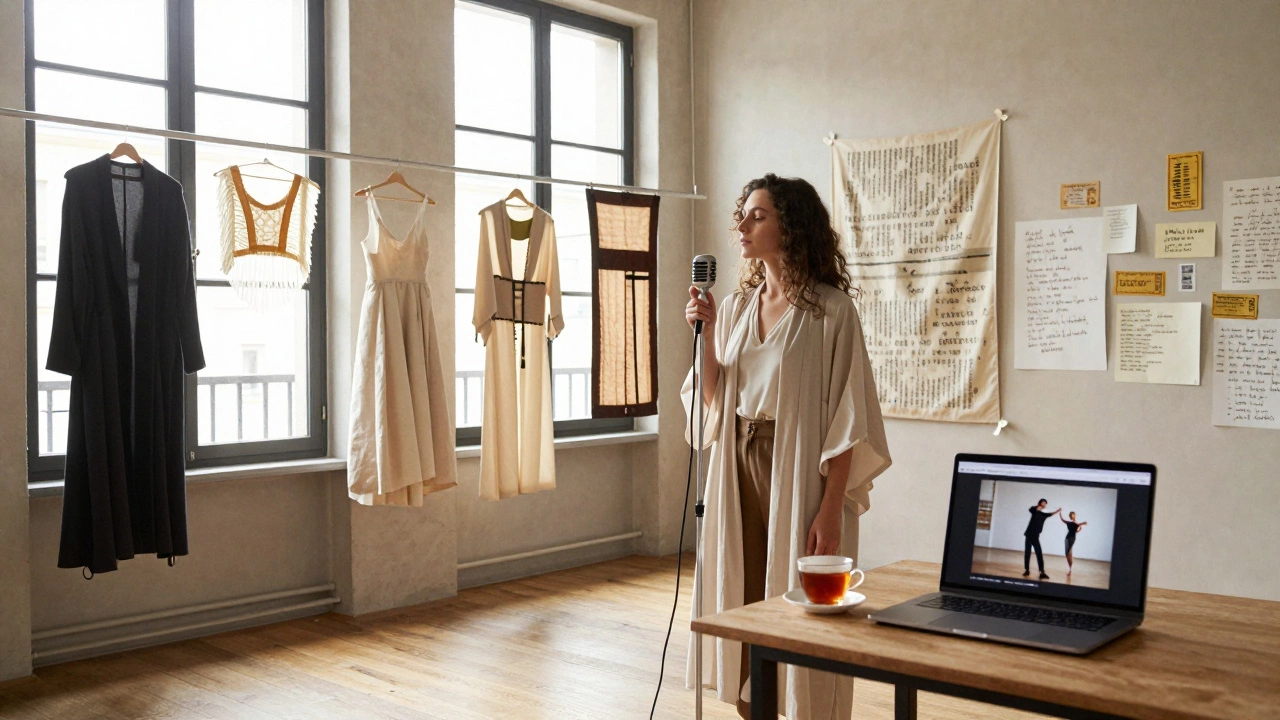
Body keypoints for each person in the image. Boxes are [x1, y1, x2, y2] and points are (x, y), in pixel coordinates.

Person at [683, 174, 892, 719]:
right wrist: (704, 334)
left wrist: (831, 505)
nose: (743, 225)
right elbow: (713, 396)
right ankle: (752, 707)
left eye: (758, 215)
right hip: (736, 461)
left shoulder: (830, 311)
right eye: (744, 215)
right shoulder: (732, 307)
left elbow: (849, 417)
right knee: (743, 592)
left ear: (791, 225)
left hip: (798, 464)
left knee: (800, 599)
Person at [1022, 499, 1060, 580]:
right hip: (1029, 534)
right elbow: (1031, 509)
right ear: (1039, 503)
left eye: (1045, 504)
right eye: (1043, 503)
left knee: (1038, 553)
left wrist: (1057, 511)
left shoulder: (1044, 514)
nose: (1044, 505)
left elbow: (1050, 514)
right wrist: (1037, 508)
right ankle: (1028, 570)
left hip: (1036, 535)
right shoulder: (1034, 510)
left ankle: (1041, 572)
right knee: (1028, 552)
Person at [1060, 511, 1087, 577]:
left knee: (1069, 553)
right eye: (1072, 515)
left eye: (1074, 514)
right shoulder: (1070, 522)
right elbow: (1063, 520)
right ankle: (1070, 569)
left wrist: (1080, 526)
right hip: (1067, 538)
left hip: (1072, 538)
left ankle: (1070, 570)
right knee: (1067, 554)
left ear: (1075, 515)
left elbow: (1076, 530)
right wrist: (1060, 513)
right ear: (1070, 516)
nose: (1073, 515)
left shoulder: (1075, 523)